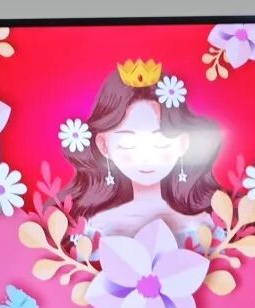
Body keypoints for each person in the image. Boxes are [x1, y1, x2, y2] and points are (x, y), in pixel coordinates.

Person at [62, 61, 222, 242]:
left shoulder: (204, 222)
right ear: (104, 145)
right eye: (128, 143)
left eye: (160, 142)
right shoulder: (97, 225)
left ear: (182, 143)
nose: (146, 157)